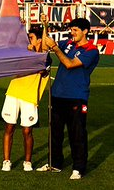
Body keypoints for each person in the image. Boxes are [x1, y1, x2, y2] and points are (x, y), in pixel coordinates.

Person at [37, 17, 100, 180]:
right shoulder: (68, 43)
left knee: (77, 134)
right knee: (55, 133)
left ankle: (78, 168)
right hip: (58, 94)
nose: (72, 33)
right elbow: (45, 45)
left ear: (85, 31)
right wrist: (45, 25)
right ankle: (55, 164)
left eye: (75, 30)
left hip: (76, 97)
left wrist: (56, 48)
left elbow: (70, 63)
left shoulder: (91, 50)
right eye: (71, 30)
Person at [0, 26, 51, 172]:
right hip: (13, 93)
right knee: (9, 128)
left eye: (31, 38)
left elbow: (40, 69)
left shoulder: (46, 57)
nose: (28, 41)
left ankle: (27, 162)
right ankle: (6, 161)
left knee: (27, 131)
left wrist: (33, 51)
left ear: (39, 40)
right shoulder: (21, 53)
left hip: (30, 97)